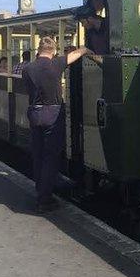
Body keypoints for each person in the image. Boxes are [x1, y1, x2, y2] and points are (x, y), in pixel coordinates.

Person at [21, 37, 91, 212]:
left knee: (38, 155)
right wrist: (86, 50)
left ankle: (40, 190)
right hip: (52, 114)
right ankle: (45, 200)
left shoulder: (28, 68)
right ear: (53, 51)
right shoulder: (56, 64)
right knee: (50, 157)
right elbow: (75, 54)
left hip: (35, 113)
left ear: (38, 50)